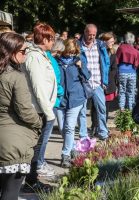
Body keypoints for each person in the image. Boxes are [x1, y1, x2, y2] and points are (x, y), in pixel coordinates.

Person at [0, 32, 42, 200]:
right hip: (12, 143)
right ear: (11, 52)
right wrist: (39, 121)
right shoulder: (16, 77)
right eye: (23, 51)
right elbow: (24, 109)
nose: (26, 54)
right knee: (10, 193)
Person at [22, 22, 57, 193]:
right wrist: (49, 113)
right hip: (39, 110)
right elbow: (38, 87)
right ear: (43, 38)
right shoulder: (34, 57)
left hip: (42, 108)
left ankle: (31, 180)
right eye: (51, 38)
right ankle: (30, 182)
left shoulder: (40, 55)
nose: (53, 41)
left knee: (36, 147)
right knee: (35, 148)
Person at [56, 38, 90, 167]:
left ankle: (65, 155)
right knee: (62, 128)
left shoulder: (78, 61)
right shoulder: (56, 62)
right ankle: (73, 149)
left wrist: (82, 67)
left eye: (73, 52)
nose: (70, 55)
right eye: (68, 52)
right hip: (60, 100)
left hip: (76, 98)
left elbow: (87, 76)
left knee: (70, 127)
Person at [77, 24, 110, 140]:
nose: (91, 37)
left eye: (94, 35)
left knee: (102, 108)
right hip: (83, 83)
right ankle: (83, 135)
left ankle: (103, 133)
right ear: (84, 32)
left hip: (97, 82)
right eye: (89, 34)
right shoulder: (78, 45)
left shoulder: (100, 44)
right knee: (81, 111)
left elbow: (106, 63)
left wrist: (105, 81)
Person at [116, 32, 139, 110]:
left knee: (122, 91)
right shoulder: (135, 50)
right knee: (131, 92)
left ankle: (122, 109)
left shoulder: (121, 48)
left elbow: (116, 59)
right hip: (132, 73)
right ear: (133, 40)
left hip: (122, 72)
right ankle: (130, 110)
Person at [99, 32, 118, 120]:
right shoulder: (98, 52)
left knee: (106, 107)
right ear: (104, 41)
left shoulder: (112, 53)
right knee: (97, 107)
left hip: (109, 84)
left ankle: (104, 127)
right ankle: (95, 126)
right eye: (111, 41)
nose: (113, 43)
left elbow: (114, 69)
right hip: (98, 83)